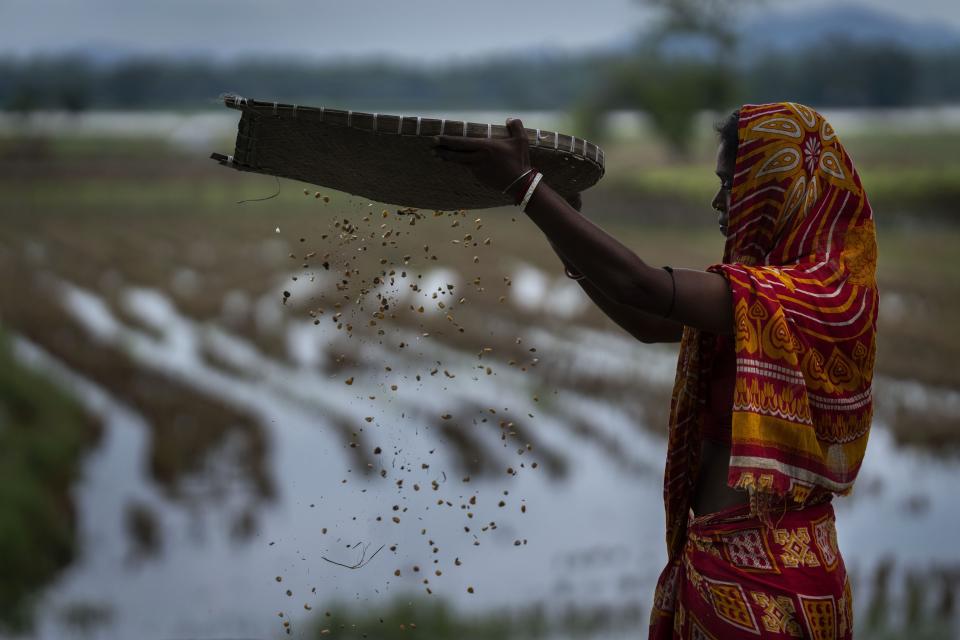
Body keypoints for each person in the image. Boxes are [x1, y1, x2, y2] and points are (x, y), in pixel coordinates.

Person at [432, 101, 877, 639]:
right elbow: (647, 321)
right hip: (735, 563)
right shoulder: (768, 298)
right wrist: (562, 228)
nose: (719, 201)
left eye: (728, 184)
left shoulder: (813, 299)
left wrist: (527, 189)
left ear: (776, 188)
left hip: (768, 588)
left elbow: (641, 285)